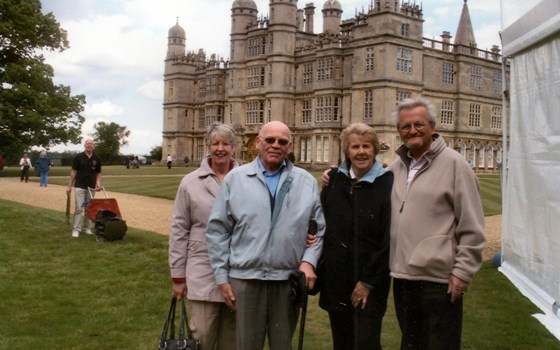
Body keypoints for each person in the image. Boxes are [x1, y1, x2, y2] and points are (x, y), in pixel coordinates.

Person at [205, 121, 325, 350]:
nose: (275, 145)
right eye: (270, 140)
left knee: (282, 345)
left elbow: (318, 229)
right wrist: (221, 277)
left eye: (282, 141)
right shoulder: (236, 179)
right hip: (246, 280)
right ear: (258, 143)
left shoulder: (306, 181)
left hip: (287, 280)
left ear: (290, 146)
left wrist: (308, 262)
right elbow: (218, 231)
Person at [390, 97, 485, 349]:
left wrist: (462, 273)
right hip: (403, 278)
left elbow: (472, 225)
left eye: (418, 124)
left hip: (439, 282)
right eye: (405, 126)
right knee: (411, 344)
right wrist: (338, 175)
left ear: (432, 126)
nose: (412, 130)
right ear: (399, 132)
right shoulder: (397, 167)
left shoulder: (455, 164)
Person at [319, 123, 393, 350]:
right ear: (346, 151)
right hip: (336, 280)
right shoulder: (334, 179)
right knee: (341, 343)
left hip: (370, 282)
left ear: (375, 150)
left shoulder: (387, 182)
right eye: (355, 147)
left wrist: (368, 282)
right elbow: (321, 221)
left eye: (366, 146)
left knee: (366, 344)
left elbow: (388, 239)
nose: (361, 151)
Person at [168, 123, 239, 350]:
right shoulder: (190, 182)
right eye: (215, 143)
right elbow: (179, 229)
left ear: (233, 147)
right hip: (202, 268)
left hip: (239, 271)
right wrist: (178, 276)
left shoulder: (246, 178)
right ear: (207, 147)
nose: (220, 148)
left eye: (225, 143)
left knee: (232, 340)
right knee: (202, 338)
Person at [66, 138, 102, 238]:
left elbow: (98, 172)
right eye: (87, 143)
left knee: (89, 208)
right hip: (79, 186)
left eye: (91, 144)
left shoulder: (97, 158)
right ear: (84, 145)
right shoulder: (78, 157)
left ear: (93, 146)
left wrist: (98, 182)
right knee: (78, 208)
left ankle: (87, 228)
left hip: (91, 188)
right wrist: (69, 186)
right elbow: (73, 172)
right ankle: (76, 229)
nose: (89, 145)